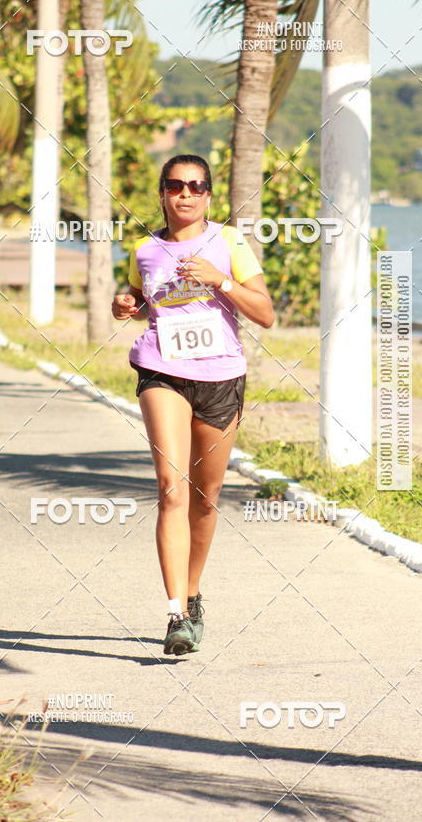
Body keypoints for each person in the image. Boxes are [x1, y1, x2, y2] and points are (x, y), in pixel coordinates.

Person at [111, 154, 274, 656]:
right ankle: (176, 614)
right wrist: (125, 304)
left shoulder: (229, 243)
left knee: (206, 498)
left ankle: (193, 590)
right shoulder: (144, 249)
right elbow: (140, 298)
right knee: (171, 488)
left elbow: (265, 313)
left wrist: (219, 280)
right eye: (176, 185)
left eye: (196, 186)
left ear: (208, 195)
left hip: (221, 379)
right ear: (162, 192)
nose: (186, 194)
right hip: (162, 372)